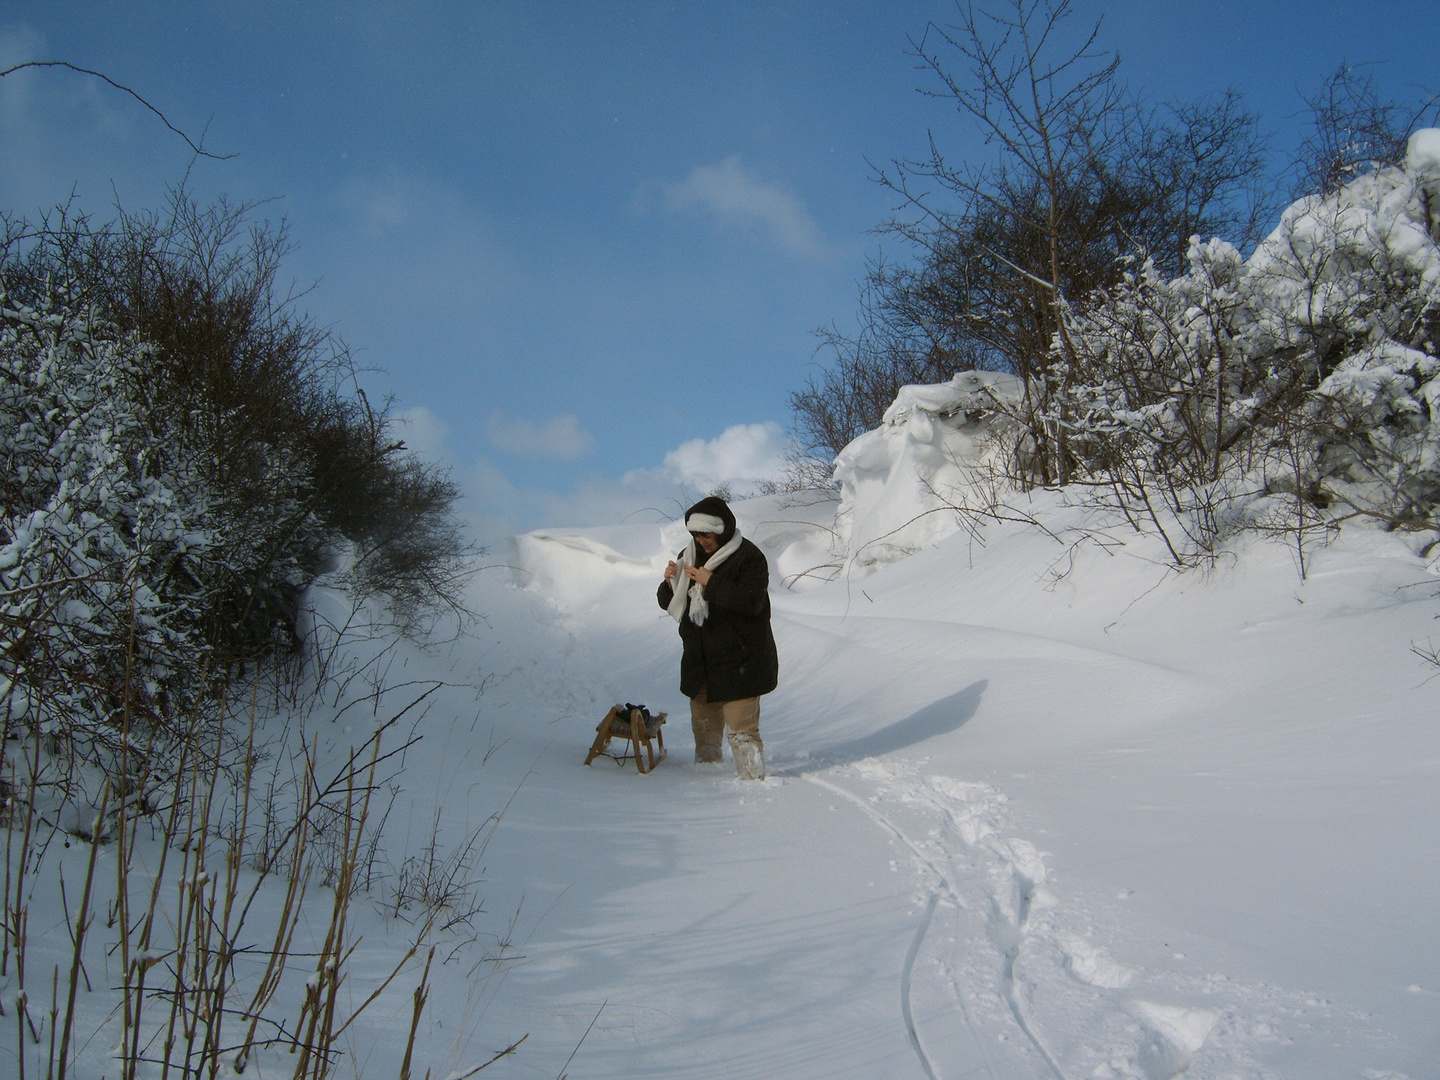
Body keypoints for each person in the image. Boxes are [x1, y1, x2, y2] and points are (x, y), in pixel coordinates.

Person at [657, 496, 778, 780]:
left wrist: (710, 582)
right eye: (696, 534)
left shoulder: (749, 557)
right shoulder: (688, 555)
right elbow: (669, 602)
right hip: (702, 663)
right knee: (704, 731)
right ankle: (706, 781)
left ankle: (754, 785)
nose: (701, 540)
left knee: (742, 732)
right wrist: (669, 583)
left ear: (721, 530)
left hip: (742, 662)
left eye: (706, 534)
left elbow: (752, 602)